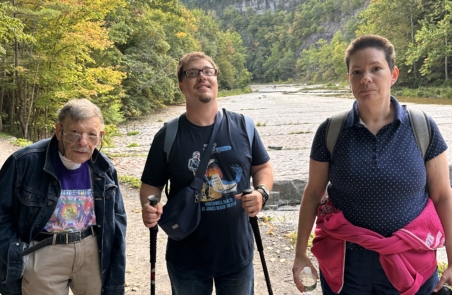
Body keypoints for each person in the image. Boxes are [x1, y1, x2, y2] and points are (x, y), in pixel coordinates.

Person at [292, 34, 452, 295]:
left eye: (376, 68)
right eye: (357, 72)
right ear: (349, 80)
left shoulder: (422, 127)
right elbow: (313, 193)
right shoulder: (331, 130)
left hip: (412, 260)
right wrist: (300, 254)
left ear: (394, 74)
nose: (366, 77)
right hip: (347, 266)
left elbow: (443, 196)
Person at [140, 51, 273, 294]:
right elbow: (151, 185)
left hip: (237, 255)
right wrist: (150, 207)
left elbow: (262, 167)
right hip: (186, 257)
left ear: (216, 80)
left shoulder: (244, 126)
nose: (202, 76)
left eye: (207, 71)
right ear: (182, 86)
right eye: (192, 73)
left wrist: (262, 192)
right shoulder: (167, 136)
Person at [0, 99, 127, 295]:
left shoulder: (104, 169)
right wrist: (17, 254)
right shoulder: (24, 162)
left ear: (100, 136)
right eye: (75, 133)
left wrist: (115, 263)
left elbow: (118, 219)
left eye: (91, 135)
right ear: (59, 130)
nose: (83, 142)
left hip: (91, 250)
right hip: (43, 251)